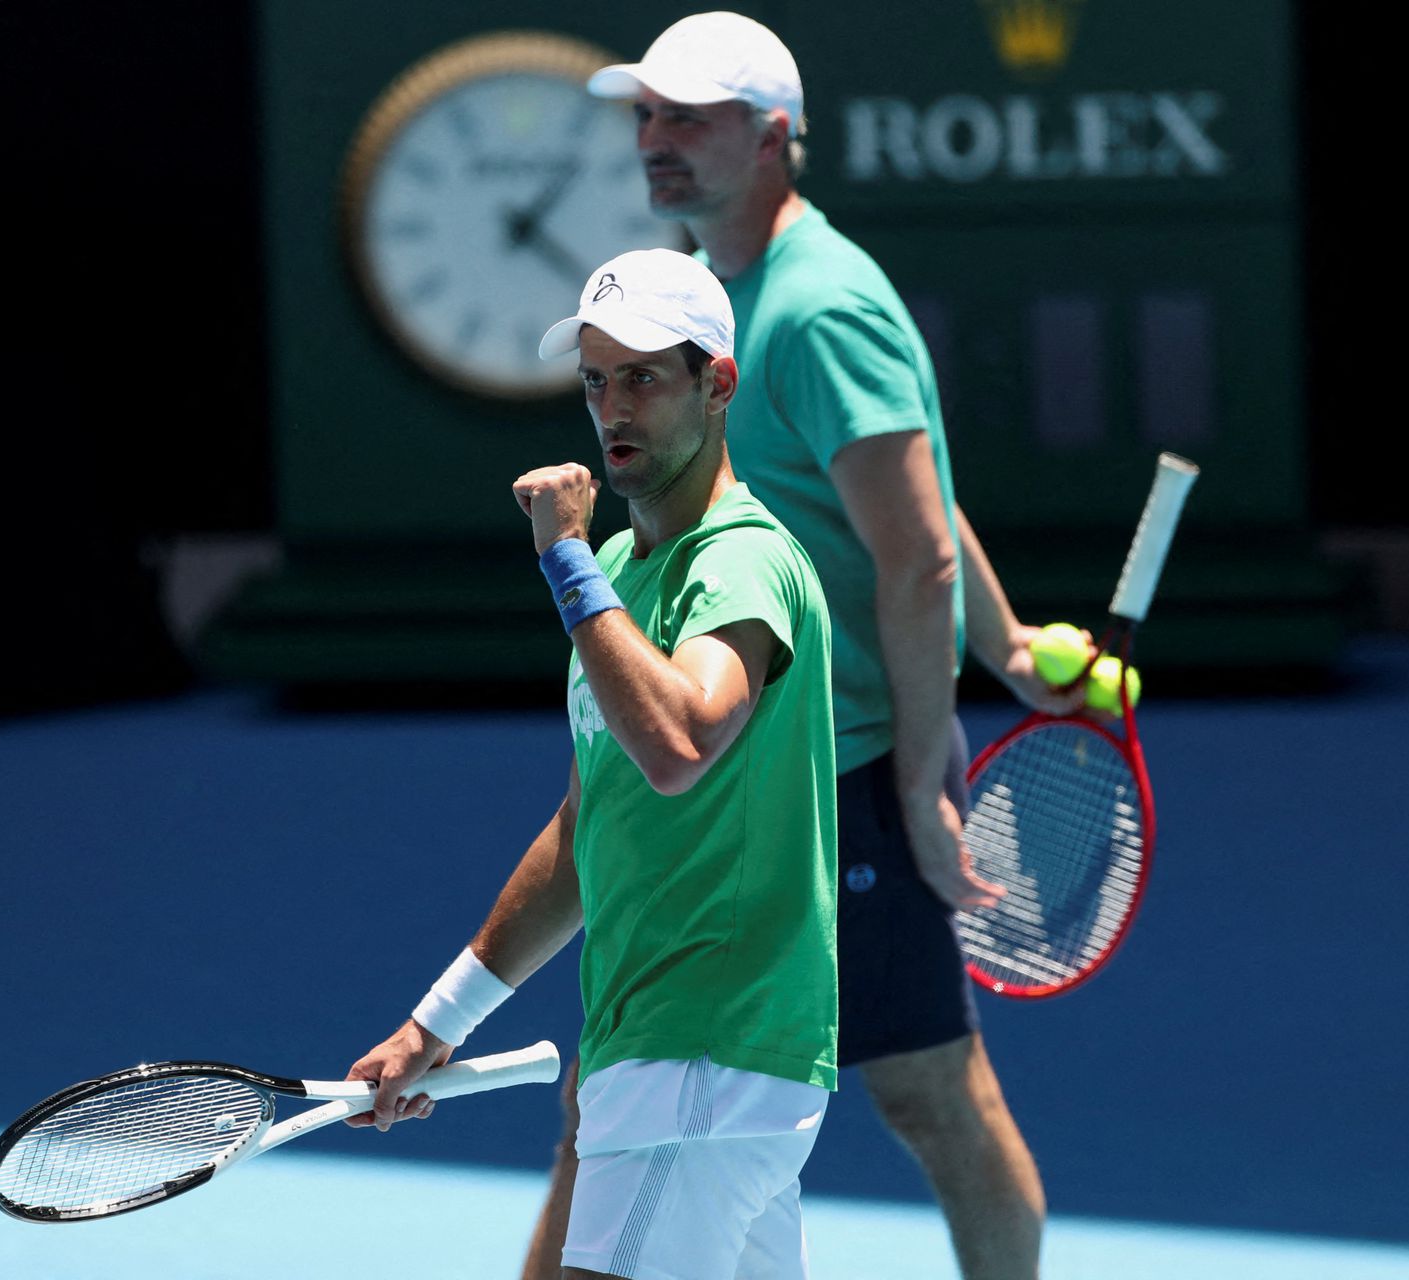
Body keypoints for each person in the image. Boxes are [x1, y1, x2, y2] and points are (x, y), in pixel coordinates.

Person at [521, 14, 1082, 1279]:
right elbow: (913, 515)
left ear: (775, 136)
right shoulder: (717, 297)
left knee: (933, 1096)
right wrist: (1007, 647)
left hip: (841, 773)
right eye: (646, 115)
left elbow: (918, 545)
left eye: (692, 117)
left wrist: (927, 780)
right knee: (621, 1096)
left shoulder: (818, 309)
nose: (657, 140)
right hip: (751, 763)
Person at [345, 247, 841, 1279]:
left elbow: (679, 743)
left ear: (717, 384)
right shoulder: (618, 578)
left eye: (644, 377)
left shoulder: (739, 558)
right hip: (681, 1058)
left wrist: (563, 556)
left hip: (701, 1051)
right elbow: (589, 827)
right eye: (595, 380)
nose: (612, 407)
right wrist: (439, 1020)